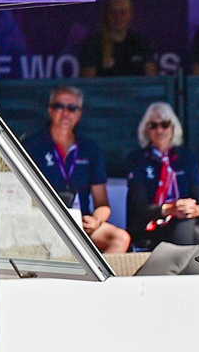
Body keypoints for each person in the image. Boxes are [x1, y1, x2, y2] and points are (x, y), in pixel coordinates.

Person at [22, 85, 131, 254]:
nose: (65, 113)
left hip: (81, 223)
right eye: (59, 106)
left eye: (72, 108)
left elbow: (102, 204)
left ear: (79, 114)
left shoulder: (90, 148)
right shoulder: (32, 145)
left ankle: (100, 280)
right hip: (44, 221)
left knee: (120, 238)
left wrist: (96, 221)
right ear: (50, 111)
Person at [125, 102, 199, 250]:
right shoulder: (137, 159)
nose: (159, 130)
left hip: (185, 222)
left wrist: (196, 210)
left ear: (173, 128)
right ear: (147, 130)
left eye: (164, 124)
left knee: (188, 225)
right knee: (195, 233)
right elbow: (138, 209)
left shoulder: (187, 158)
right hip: (151, 226)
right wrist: (170, 209)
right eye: (153, 126)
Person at [79, 0, 157, 78]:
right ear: (106, 14)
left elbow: (153, 82)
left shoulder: (142, 43)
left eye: (122, 12)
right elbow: (88, 86)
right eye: (113, 12)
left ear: (131, 14)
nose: (118, 17)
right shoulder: (93, 44)